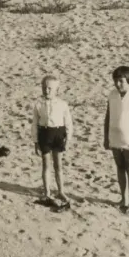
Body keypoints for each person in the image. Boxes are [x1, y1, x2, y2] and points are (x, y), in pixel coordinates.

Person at [103, 65, 129, 214]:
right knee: (120, 168)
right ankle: (123, 198)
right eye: (116, 81)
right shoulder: (112, 95)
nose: (118, 84)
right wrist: (106, 137)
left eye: (121, 81)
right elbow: (107, 116)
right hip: (114, 137)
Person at [34, 74, 74, 209]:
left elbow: (68, 123)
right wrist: (35, 141)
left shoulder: (63, 104)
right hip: (45, 134)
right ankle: (47, 191)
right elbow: (34, 124)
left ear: (57, 90)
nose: (47, 91)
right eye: (44, 87)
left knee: (58, 165)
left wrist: (68, 139)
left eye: (50, 88)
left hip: (58, 134)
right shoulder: (38, 104)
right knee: (46, 165)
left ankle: (61, 191)